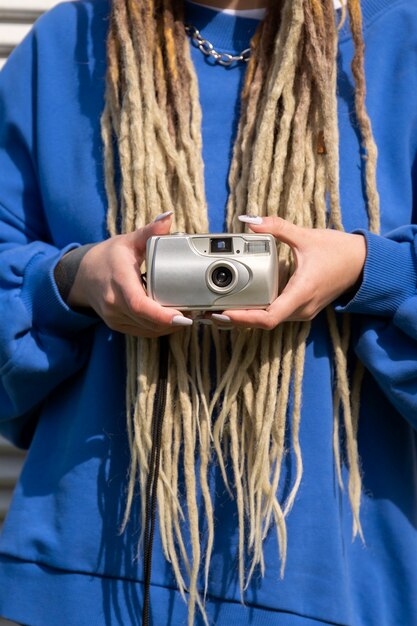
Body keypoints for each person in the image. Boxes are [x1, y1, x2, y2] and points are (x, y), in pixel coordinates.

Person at [0, 0, 416, 624]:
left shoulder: (400, 42)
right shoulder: (74, 37)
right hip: (82, 581)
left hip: (328, 587)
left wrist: (365, 270)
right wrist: (73, 279)